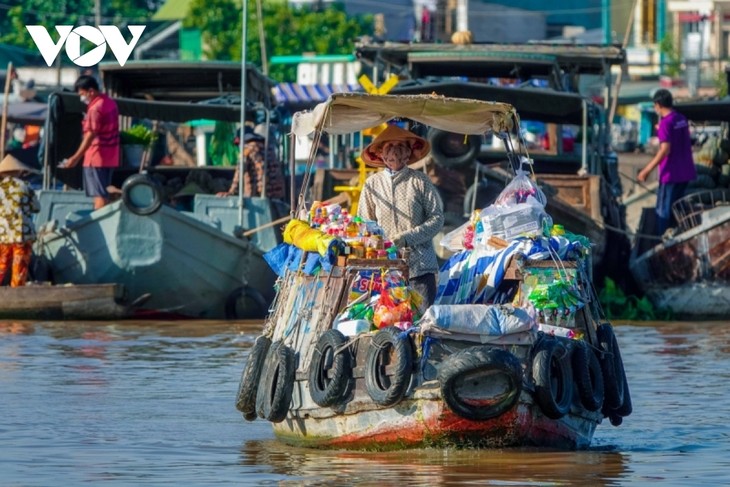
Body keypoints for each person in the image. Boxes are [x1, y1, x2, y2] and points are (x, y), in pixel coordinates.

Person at [358, 124, 444, 306]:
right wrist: (377, 242)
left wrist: (406, 238)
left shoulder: (420, 181)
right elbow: (365, 225)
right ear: (380, 154)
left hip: (420, 268)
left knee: (424, 325)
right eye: (389, 148)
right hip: (386, 270)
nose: (394, 154)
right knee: (389, 323)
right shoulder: (372, 185)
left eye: (400, 148)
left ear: (408, 154)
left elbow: (437, 219)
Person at [637, 89, 696, 235]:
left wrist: (646, 170)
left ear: (658, 105)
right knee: (678, 209)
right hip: (686, 173)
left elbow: (665, 150)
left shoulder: (665, 123)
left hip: (670, 175)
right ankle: (680, 237)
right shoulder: (681, 119)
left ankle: (662, 243)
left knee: (662, 211)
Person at [61, 75, 120, 210]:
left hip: (96, 157)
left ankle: (100, 225)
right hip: (110, 156)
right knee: (103, 192)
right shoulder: (110, 103)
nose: (82, 98)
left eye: (82, 94)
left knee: (99, 196)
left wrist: (75, 158)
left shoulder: (95, 109)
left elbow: (90, 135)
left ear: (91, 91)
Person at [0, 154, 40, 287]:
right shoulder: (26, 186)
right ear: (19, 171)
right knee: (19, 267)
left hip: (3, 234)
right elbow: (36, 208)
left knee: (1, 264)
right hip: (23, 233)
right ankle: (16, 292)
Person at [217, 126, 285, 199]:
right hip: (277, 193)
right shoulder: (267, 148)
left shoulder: (247, 149)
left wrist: (231, 192)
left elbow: (240, 170)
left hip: (260, 194)